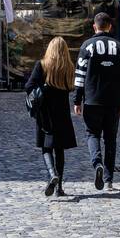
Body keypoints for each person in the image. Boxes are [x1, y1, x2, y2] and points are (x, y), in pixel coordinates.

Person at [72, 10, 120, 190]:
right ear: (110, 26)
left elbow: (80, 75)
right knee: (111, 139)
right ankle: (108, 180)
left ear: (94, 26)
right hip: (114, 101)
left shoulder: (87, 46)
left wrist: (77, 100)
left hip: (92, 100)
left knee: (92, 134)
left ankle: (96, 162)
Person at [25, 36, 77, 198]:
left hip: (45, 113)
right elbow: (70, 88)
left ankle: (51, 173)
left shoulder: (42, 65)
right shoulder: (68, 67)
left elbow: (29, 86)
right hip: (62, 113)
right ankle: (59, 188)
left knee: (46, 148)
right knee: (59, 151)